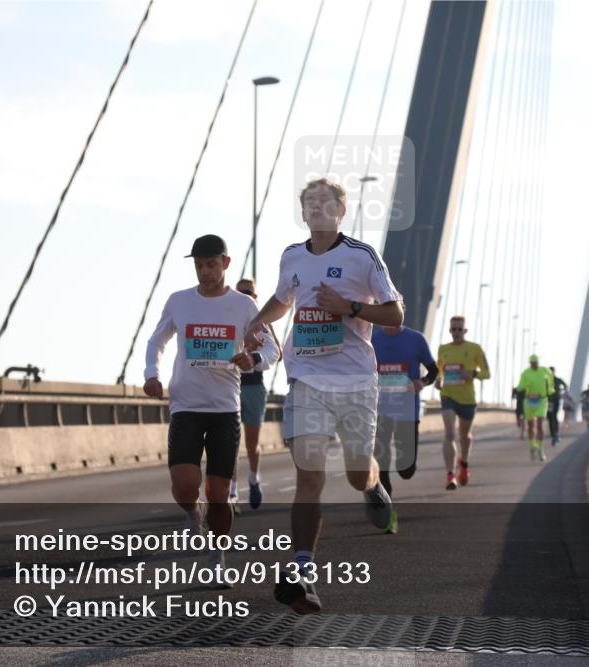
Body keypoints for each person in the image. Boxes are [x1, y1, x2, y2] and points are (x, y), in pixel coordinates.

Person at [244, 178, 403, 614]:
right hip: (308, 379)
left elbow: (394, 313)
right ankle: (302, 573)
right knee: (309, 475)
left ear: (340, 210)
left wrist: (349, 308)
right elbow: (281, 299)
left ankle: (372, 486)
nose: (316, 208)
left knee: (355, 474)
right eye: (309, 202)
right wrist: (258, 320)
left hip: (354, 382)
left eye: (324, 202)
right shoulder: (292, 257)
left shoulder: (361, 256)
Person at [144, 235, 279, 587]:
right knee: (185, 484)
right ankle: (192, 511)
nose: (205, 272)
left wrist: (253, 359)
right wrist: (151, 374)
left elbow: (272, 351)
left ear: (226, 264)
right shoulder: (180, 301)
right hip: (186, 406)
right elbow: (156, 340)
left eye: (211, 265)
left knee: (219, 492)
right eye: (199, 265)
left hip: (224, 409)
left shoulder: (245, 306)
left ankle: (216, 559)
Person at [371, 305, 438, 500]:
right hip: (380, 409)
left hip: (408, 411)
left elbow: (433, 371)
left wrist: (422, 382)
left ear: (402, 311)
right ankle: (386, 501)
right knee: (381, 458)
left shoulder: (416, 339)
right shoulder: (373, 340)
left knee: (406, 470)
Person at [230, 277, 281, 510]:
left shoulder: (263, 321)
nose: (246, 296)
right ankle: (231, 492)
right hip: (231, 386)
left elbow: (277, 352)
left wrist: (256, 356)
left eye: (249, 292)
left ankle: (254, 478)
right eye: (241, 292)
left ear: (256, 296)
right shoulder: (229, 318)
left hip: (254, 387)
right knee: (230, 442)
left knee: (251, 444)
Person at [436, 316, 491, 490]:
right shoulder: (443, 349)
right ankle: (450, 475)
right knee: (450, 434)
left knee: (465, 436)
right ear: (450, 331)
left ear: (465, 331)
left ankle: (464, 464)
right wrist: (438, 380)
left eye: (460, 329)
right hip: (448, 396)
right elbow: (440, 371)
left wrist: (473, 374)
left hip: (467, 399)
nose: (456, 332)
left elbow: (487, 373)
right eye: (453, 329)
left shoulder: (474, 349)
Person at [516, 354, 554, 462]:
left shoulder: (544, 370)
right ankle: (532, 446)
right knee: (530, 425)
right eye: (532, 363)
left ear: (538, 362)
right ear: (530, 363)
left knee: (540, 424)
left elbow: (551, 376)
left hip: (541, 400)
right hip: (529, 401)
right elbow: (521, 385)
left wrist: (550, 388)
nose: (534, 364)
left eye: (536, 362)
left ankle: (541, 449)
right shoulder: (526, 373)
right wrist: (520, 388)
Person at [547, 366, 567, 446]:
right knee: (549, 417)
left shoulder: (558, 380)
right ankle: (552, 432)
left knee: (554, 416)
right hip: (548, 401)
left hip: (556, 400)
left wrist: (561, 391)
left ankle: (556, 432)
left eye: (552, 371)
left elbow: (565, 386)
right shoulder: (546, 380)